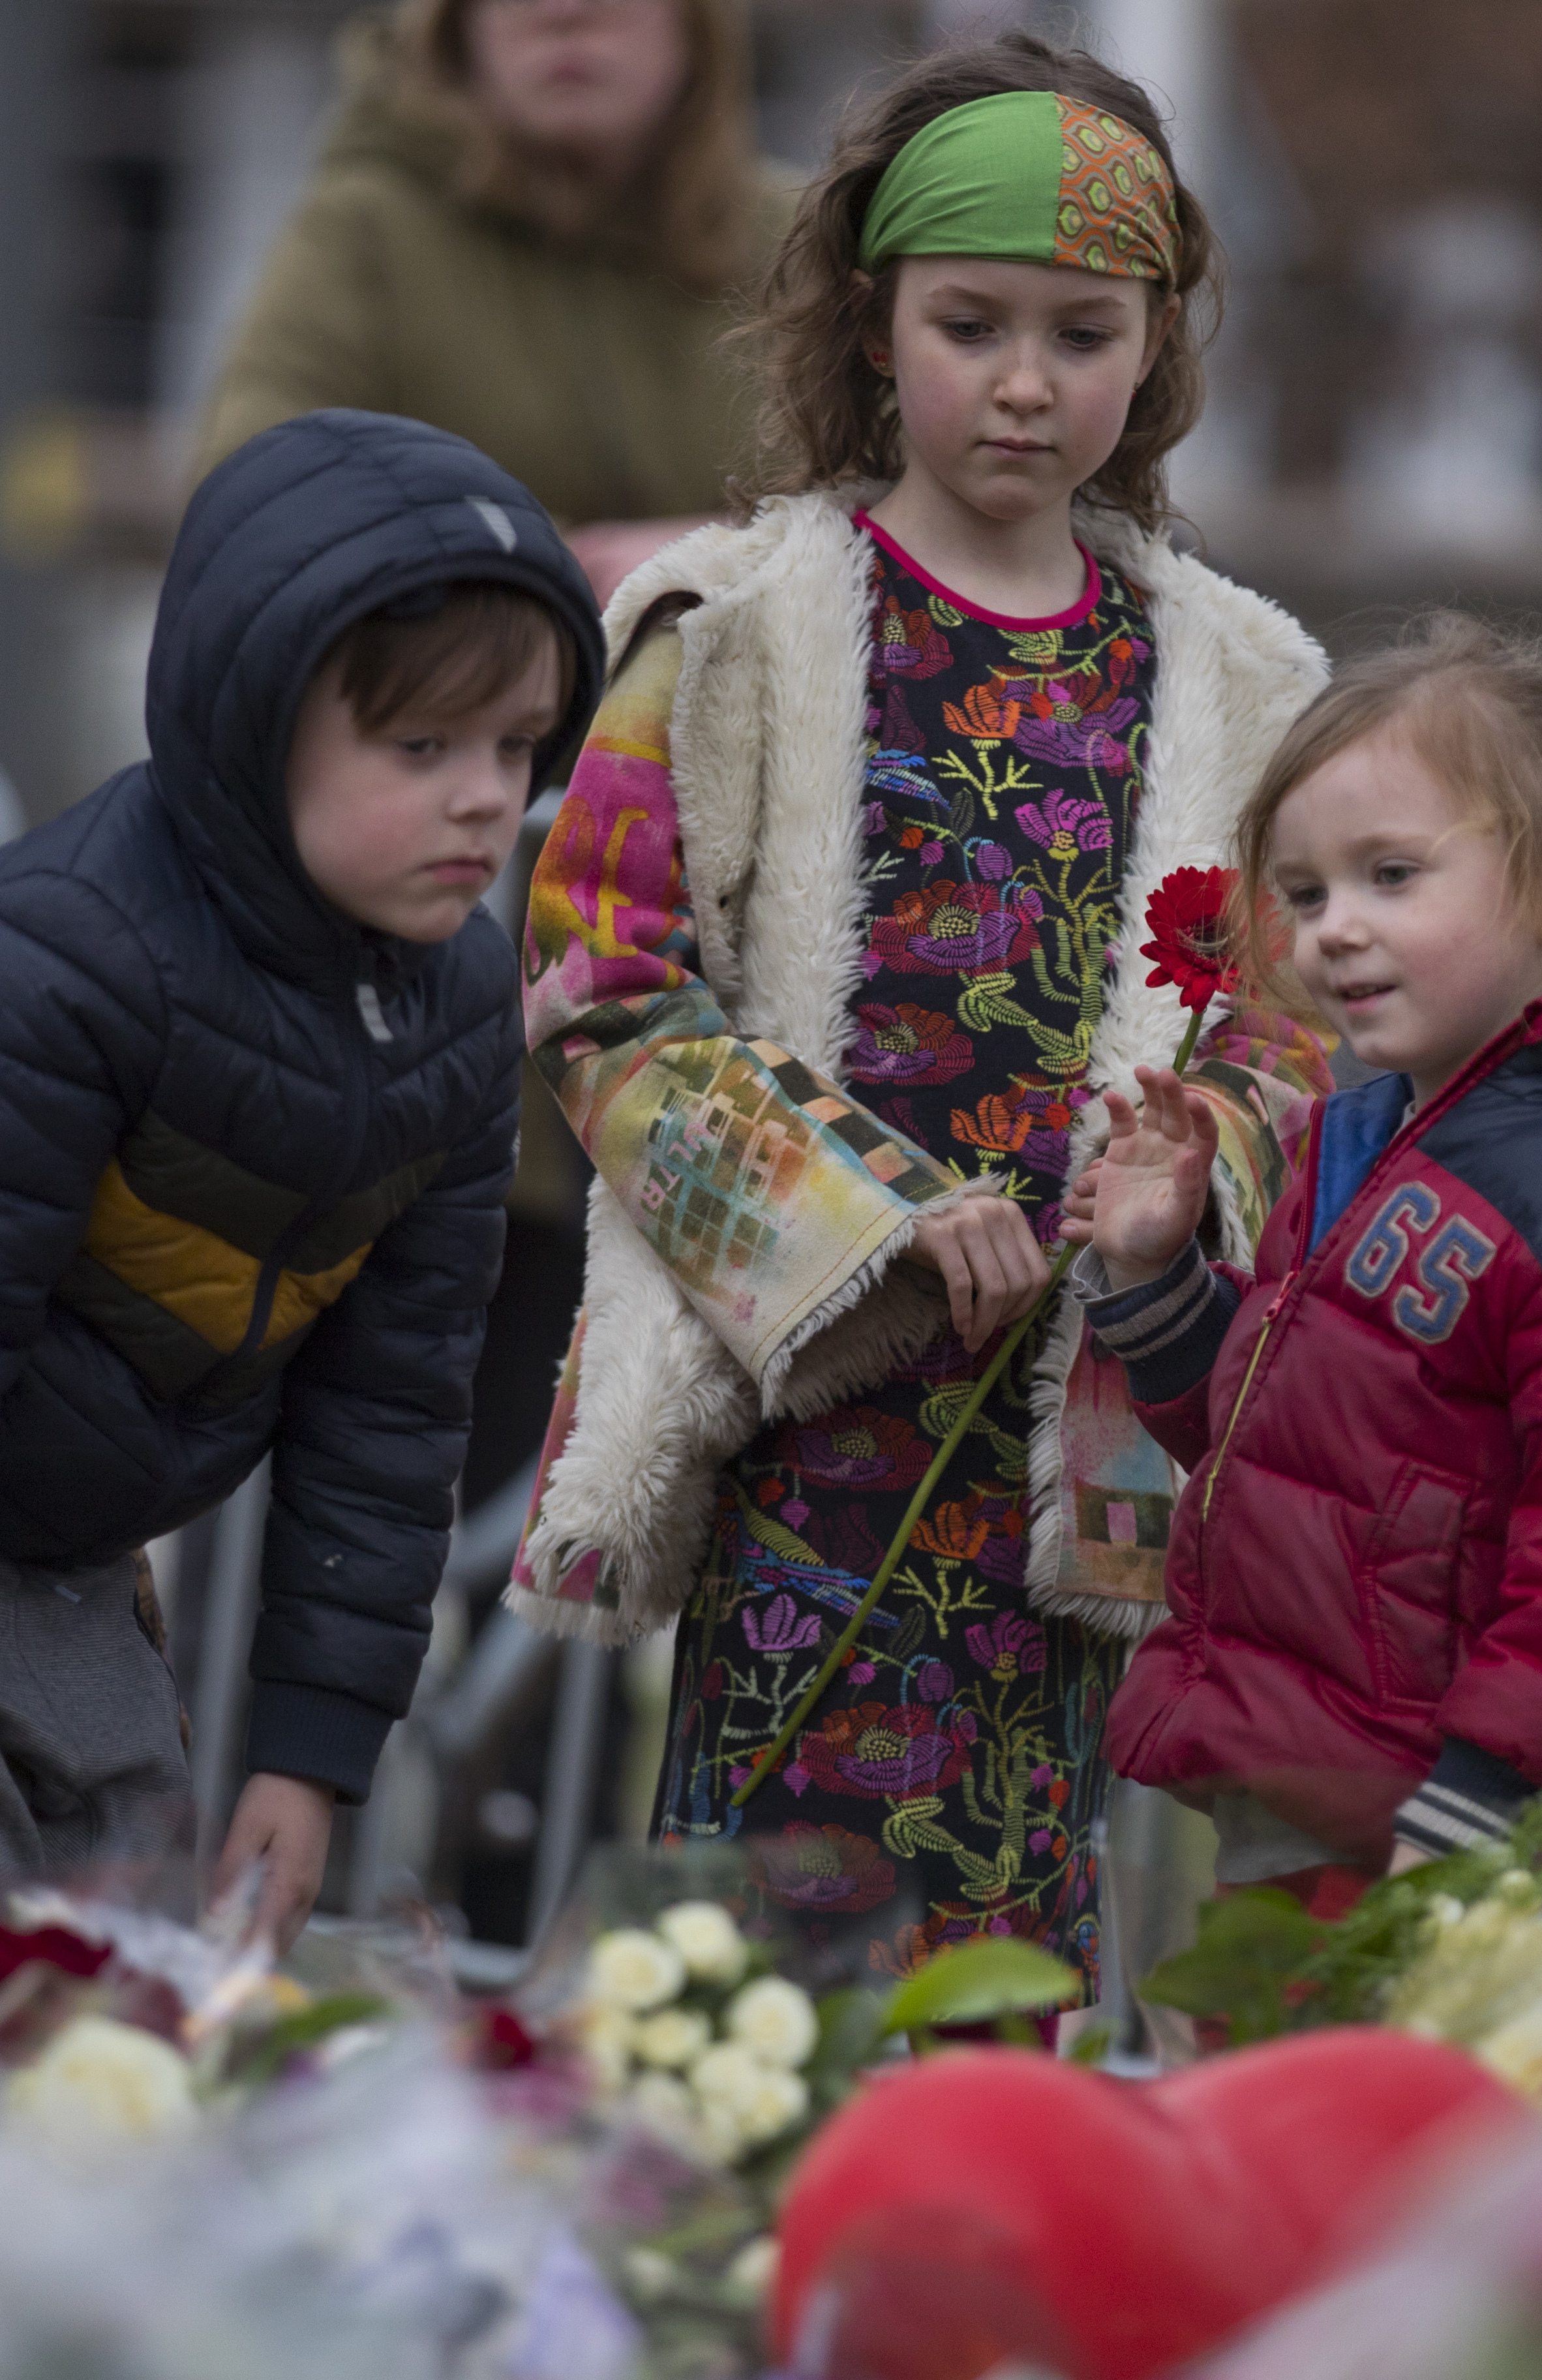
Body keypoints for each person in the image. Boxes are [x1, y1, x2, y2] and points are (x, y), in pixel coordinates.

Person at [507, 33, 1332, 1987]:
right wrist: (862, 1218)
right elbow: (599, 989)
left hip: (1087, 1417)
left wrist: (1178, 1173)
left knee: (1018, 1973)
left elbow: (1271, 1018)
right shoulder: (732, 627)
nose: (1028, 380)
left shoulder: (1236, 680)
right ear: (872, 322)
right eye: (971, 322)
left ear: (1156, 347)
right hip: (805, 1405)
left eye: (1084, 328)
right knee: (745, 1991)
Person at [1073, 617, 1542, 1912]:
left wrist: (1495, 1791)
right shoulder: (1352, 1143)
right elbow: (1285, 1446)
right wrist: (1154, 1287)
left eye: (1391, 875)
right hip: (1306, 1779)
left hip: (1442, 1824)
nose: (1333, 930)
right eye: (1307, 894)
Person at [0, 409, 606, 1943]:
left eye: (518, 747)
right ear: (258, 719)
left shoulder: (463, 1012)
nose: (487, 795)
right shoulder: (65, 963)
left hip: (71, 1565)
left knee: (116, 1974)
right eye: (421, 747)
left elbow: (393, 1407)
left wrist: (309, 1752)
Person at [194, 0, 794, 604]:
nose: (564, 13)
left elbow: (881, 493)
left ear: (695, 26)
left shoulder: (799, 242)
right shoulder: (368, 229)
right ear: (458, 30)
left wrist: (734, 551)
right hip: (462, 686)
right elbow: (253, 488)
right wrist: (535, 565)